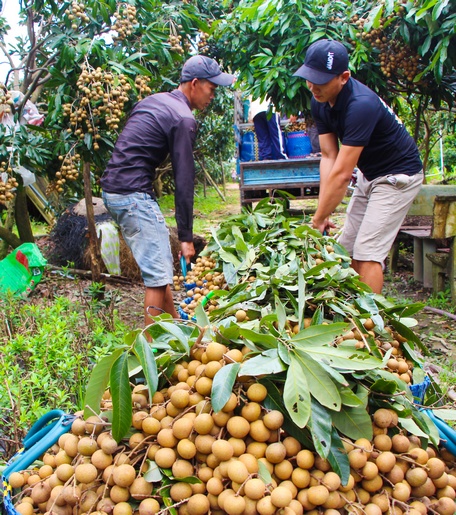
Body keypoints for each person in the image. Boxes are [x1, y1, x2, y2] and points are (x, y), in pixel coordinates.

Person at [100, 55, 235, 325]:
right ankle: (152, 351)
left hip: (116, 189)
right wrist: (185, 237)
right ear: (195, 84)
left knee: (159, 265)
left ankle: (175, 323)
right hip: (132, 194)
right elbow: (184, 178)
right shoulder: (183, 119)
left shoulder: (154, 101)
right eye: (212, 88)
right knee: (157, 277)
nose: (213, 95)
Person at [293, 39, 423, 293]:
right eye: (309, 78)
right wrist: (324, 210)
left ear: (344, 77)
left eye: (320, 80)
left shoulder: (360, 105)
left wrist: (317, 220)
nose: (312, 86)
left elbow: (342, 175)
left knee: (368, 252)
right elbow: (330, 157)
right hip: (369, 173)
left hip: (398, 175)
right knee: (347, 247)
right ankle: (352, 312)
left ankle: (367, 327)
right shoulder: (319, 101)